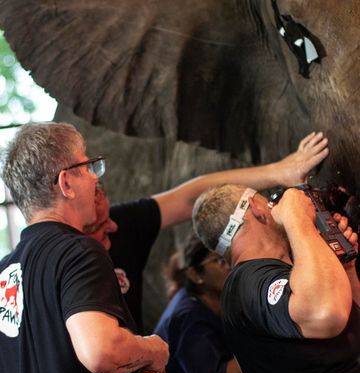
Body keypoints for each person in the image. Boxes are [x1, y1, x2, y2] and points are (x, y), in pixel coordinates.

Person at [0, 122, 169, 373]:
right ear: (66, 182)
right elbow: (101, 352)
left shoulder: (6, 271)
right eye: (88, 165)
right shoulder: (77, 250)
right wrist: (153, 350)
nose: (96, 176)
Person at [85, 131, 329, 331]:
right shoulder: (244, 287)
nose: (114, 226)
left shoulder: (120, 222)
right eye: (99, 226)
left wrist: (279, 172)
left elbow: (188, 199)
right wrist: (299, 222)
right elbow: (325, 314)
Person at [192, 183, 360, 373]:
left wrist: (343, 267)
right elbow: (326, 314)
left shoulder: (279, 272)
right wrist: (296, 217)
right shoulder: (246, 283)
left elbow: (348, 324)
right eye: (271, 203)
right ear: (258, 210)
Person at [151, 234, 250, 373]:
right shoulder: (188, 318)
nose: (230, 266)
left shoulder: (213, 304)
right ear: (196, 274)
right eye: (220, 261)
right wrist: (259, 342)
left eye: (231, 257)